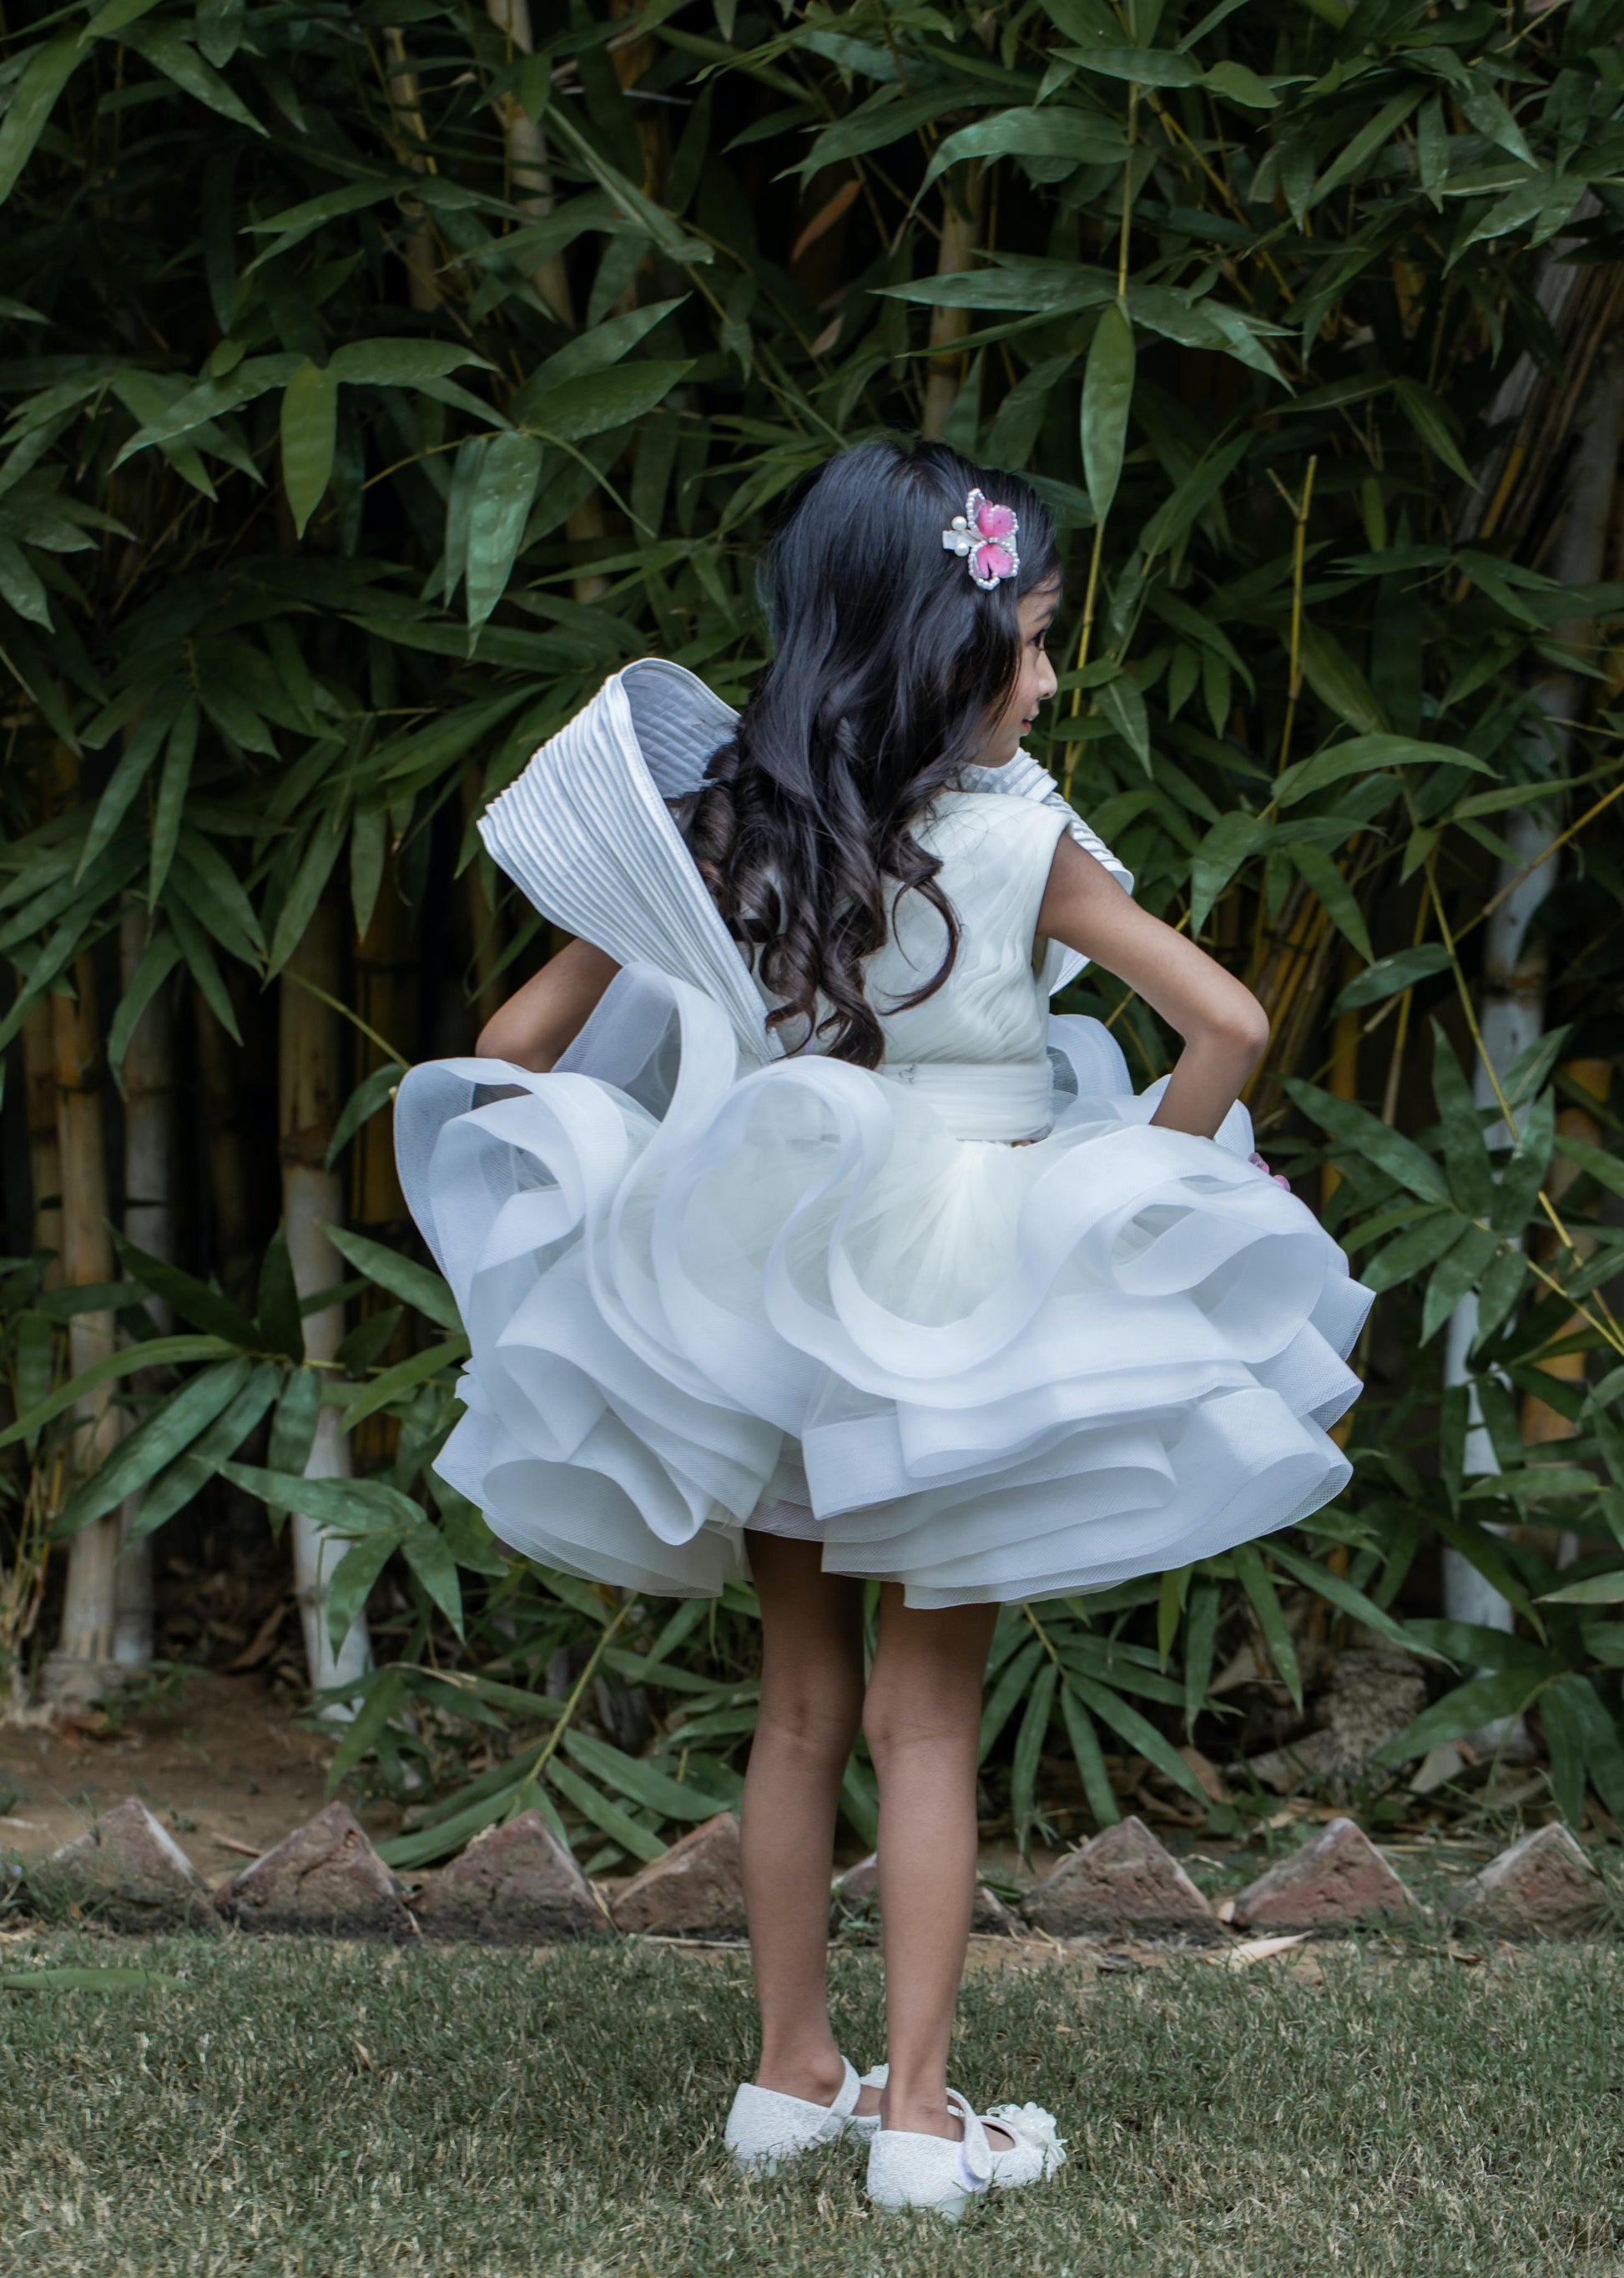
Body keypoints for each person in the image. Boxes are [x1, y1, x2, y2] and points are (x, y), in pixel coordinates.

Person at [394, 437, 1370, 2220]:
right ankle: (920, 2119)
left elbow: (507, 1053)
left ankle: (787, 2078)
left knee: (793, 1709)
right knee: (928, 1723)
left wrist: (628, 1183)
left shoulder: (719, 830)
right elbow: (1222, 1025)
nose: (1052, 679)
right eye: (1033, 641)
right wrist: (1122, 1213)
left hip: (763, 1289)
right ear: (936, 646)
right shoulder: (1023, 841)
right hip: (974, 1297)